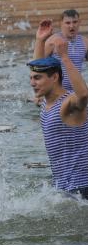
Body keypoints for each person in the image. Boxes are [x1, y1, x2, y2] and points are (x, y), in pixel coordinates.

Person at [28, 35, 88, 199]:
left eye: (37, 78)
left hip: (83, 188)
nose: (32, 83)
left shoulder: (67, 104)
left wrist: (64, 57)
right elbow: (39, 67)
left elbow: (83, 95)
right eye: (31, 78)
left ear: (54, 78)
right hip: (63, 188)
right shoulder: (45, 103)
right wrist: (40, 41)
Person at [33, 10, 88, 92]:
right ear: (61, 23)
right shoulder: (52, 41)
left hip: (76, 92)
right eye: (68, 23)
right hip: (57, 92)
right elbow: (37, 66)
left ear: (79, 22)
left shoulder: (85, 42)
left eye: (75, 22)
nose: (72, 26)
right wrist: (39, 92)